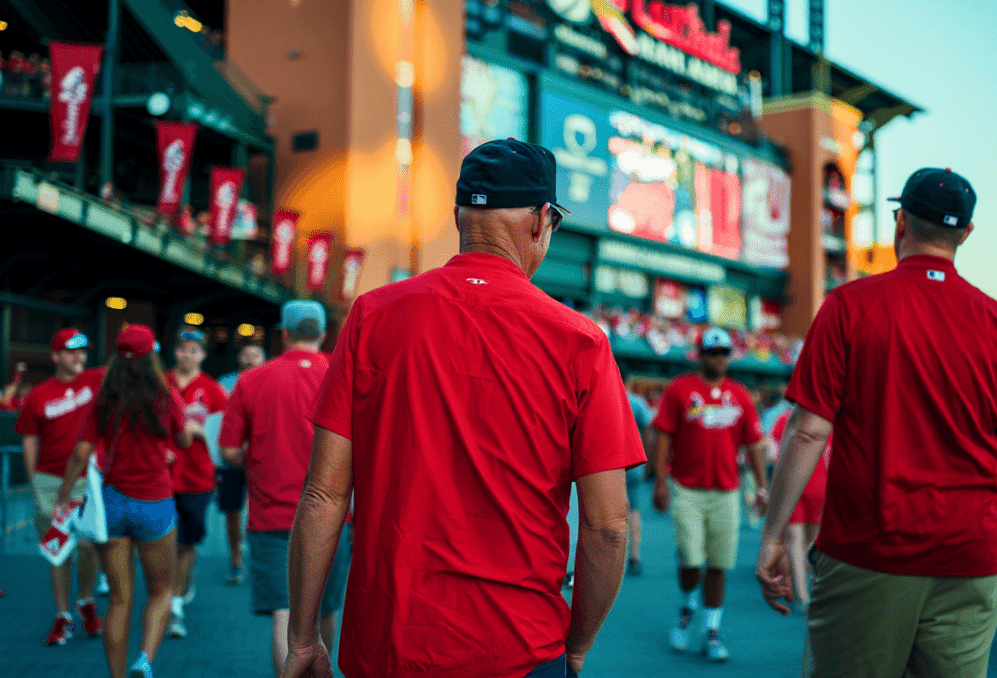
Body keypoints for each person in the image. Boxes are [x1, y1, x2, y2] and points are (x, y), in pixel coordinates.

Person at [283, 139, 645, 678]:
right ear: (542, 220)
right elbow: (609, 526)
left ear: (459, 216)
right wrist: (576, 645)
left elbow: (322, 494)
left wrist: (304, 637)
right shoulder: (580, 341)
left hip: (387, 645)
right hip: (519, 646)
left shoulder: (372, 316)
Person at [756, 168, 997, 678]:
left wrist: (773, 535)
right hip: (968, 556)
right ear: (966, 234)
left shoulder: (849, 306)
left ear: (900, 223)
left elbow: (808, 431)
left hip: (867, 554)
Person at [55, 325, 193, 678]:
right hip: (155, 504)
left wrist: (63, 494)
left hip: (113, 504)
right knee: (161, 591)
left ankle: (116, 676)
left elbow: (81, 452)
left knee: (119, 599)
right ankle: (144, 661)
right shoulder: (166, 395)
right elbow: (184, 441)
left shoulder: (104, 398)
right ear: (152, 357)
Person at [218, 301, 332, 678]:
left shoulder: (251, 380)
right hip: (332, 517)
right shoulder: (341, 373)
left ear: (284, 334)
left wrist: (260, 458)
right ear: (322, 334)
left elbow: (230, 451)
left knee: (285, 611)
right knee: (325, 608)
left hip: (271, 515)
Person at [650, 328, 768, 662]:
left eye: (724, 352)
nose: (719, 358)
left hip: (726, 491)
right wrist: (660, 481)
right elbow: (663, 436)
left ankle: (712, 630)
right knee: (690, 559)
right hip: (687, 489)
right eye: (712, 352)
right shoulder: (681, 389)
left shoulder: (740, 394)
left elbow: (755, 444)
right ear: (700, 354)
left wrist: (761, 487)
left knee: (719, 564)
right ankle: (687, 607)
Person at [16, 329, 106, 644]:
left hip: (88, 479)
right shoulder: (38, 395)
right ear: (56, 356)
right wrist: (34, 479)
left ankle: (85, 600)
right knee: (57, 551)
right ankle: (63, 615)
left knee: (89, 546)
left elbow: (128, 372)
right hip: (50, 481)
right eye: (71, 351)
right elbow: (29, 439)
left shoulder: (96, 379)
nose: (79, 357)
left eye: (82, 351)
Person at [164, 328, 227, 638]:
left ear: (202, 354)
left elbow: (225, 437)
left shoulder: (213, 390)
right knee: (164, 540)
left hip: (197, 477)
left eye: (194, 350)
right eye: (183, 348)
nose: (187, 354)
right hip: (160, 477)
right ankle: (169, 597)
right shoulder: (160, 383)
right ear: (176, 351)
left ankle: (175, 597)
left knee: (186, 542)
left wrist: (200, 431)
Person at [769, 408, 831, 611]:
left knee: (795, 540)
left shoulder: (786, 418)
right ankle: (805, 587)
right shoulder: (828, 419)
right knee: (810, 541)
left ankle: (802, 594)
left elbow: (771, 453)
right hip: (819, 485)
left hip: (792, 485)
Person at [216, 342, 265, 584]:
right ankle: (236, 559)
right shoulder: (225, 382)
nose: (250, 358)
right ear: (238, 357)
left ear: (263, 359)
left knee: (262, 510)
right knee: (232, 512)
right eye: (246, 353)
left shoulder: (270, 380)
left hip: (262, 457)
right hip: (230, 456)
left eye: (256, 354)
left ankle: (260, 561)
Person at [625, 382, 654, 576]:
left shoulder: (599, 396)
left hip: (602, 464)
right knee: (634, 509)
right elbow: (649, 429)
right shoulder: (637, 402)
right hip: (632, 462)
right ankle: (634, 555)